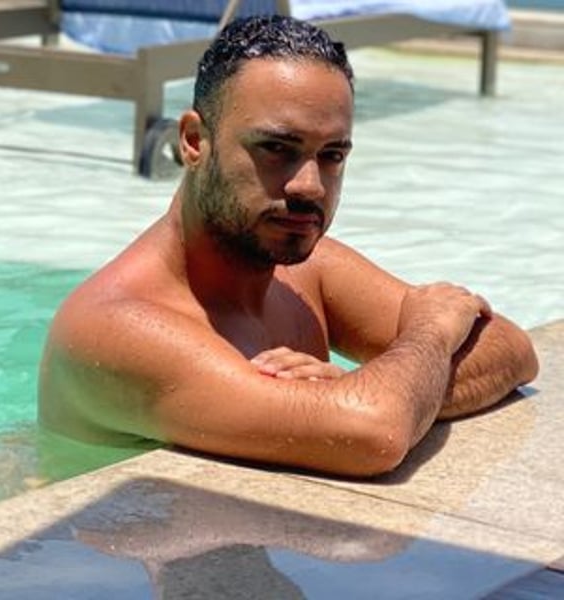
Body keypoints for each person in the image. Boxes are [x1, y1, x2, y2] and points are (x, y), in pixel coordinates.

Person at [38, 15, 538, 477]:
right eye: (276, 148)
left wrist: (352, 396)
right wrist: (426, 336)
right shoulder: (115, 324)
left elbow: (510, 350)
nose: (309, 187)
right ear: (193, 141)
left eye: (332, 155)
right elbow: (375, 434)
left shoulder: (307, 270)